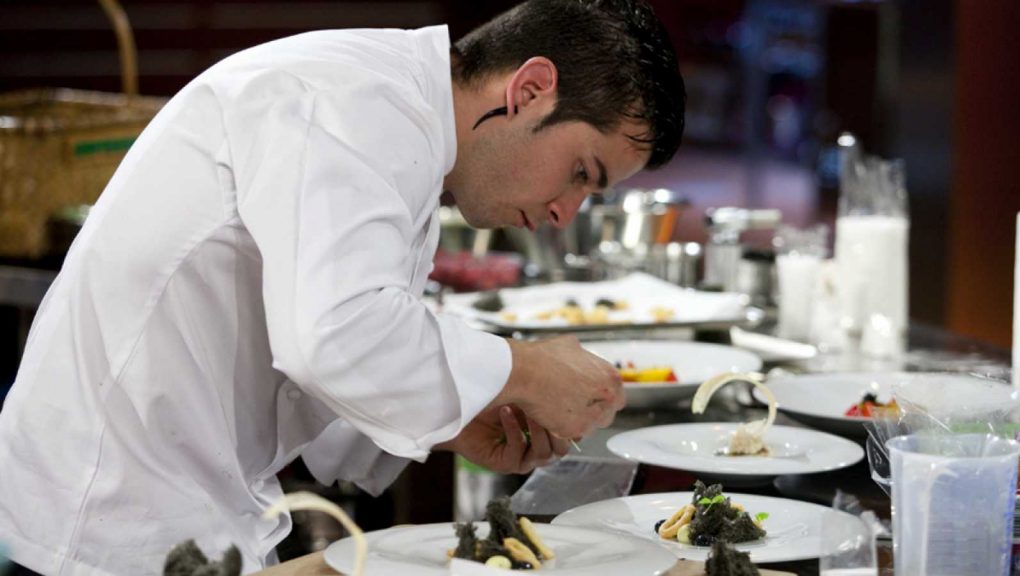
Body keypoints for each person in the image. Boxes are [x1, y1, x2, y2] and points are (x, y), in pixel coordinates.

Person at [0, 0, 686, 573]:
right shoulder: (352, 104)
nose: (567, 212)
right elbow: (332, 337)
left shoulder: (405, 124)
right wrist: (522, 367)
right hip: (107, 522)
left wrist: (457, 424)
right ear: (529, 89)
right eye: (580, 172)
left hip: (177, 497)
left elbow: (309, 348)